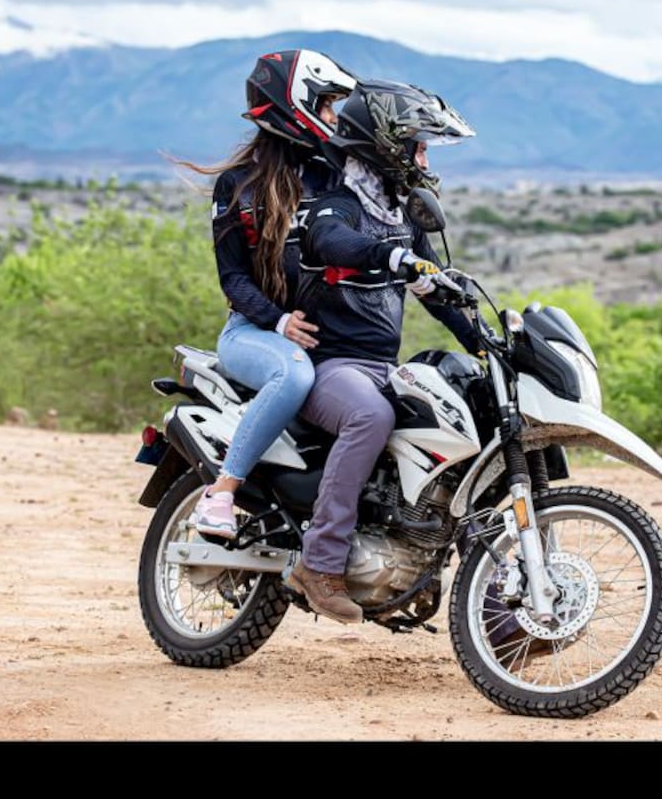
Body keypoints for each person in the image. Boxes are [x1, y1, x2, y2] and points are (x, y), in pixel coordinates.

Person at [284, 79, 480, 623]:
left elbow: (434, 292)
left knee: (464, 420)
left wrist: (486, 341)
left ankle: (488, 595)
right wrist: (392, 258)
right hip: (329, 366)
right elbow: (332, 242)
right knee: (371, 415)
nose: (424, 160)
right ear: (385, 146)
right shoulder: (336, 204)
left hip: (381, 367)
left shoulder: (401, 217)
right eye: (418, 147)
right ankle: (320, 564)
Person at [174, 49, 357, 538]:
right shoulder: (237, 187)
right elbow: (233, 279)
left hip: (318, 335)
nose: (333, 118)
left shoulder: (330, 178)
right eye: (326, 105)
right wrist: (279, 321)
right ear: (295, 105)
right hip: (251, 332)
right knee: (293, 376)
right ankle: (222, 492)